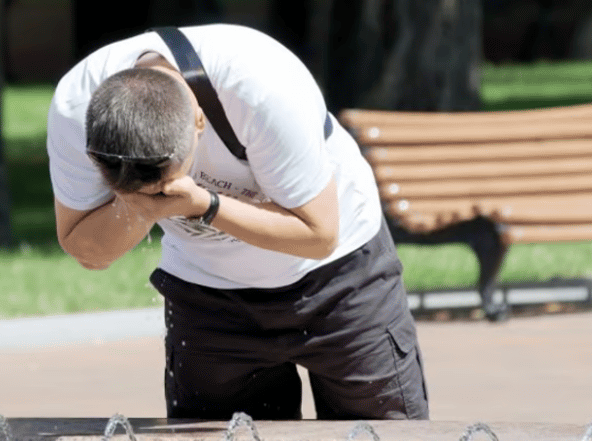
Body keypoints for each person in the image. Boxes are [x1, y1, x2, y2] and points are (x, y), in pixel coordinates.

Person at [47, 23, 428, 421]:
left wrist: (206, 206)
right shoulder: (79, 111)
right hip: (210, 301)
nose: (157, 195)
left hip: (339, 281)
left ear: (199, 122)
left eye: (163, 183)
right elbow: (87, 250)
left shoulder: (261, 87)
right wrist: (141, 209)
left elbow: (319, 234)